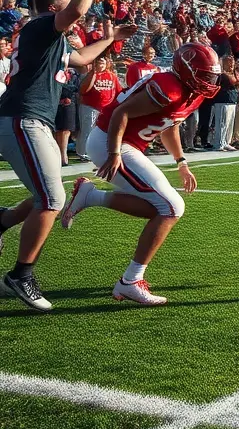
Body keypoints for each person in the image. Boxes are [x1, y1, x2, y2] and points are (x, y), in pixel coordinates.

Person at [0, 0, 132, 312]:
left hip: (28, 118)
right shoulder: (42, 25)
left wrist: (110, 38)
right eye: (67, 6)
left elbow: (83, 60)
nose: (75, 16)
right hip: (24, 117)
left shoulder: (51, 38)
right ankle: (20, 275)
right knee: (52, 200)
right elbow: (76, 10)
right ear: (54, 10)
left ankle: (4, 220)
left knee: (48, 191)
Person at [61, 43, 217, 305]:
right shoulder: (168, 86)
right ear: (186, 70)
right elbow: (121, 113)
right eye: (203, 74)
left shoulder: (192, 92)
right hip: (111, 141)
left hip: (128, 145)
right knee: (171, 207)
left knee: (157, 208)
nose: (209, 81)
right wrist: (113, 154)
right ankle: (130, 281)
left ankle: (90, 196)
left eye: (211, 76)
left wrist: (181, 161)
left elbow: (169, 125)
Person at [78, 54, 120, 163]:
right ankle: (83, 152)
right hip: (90, 106)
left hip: (106, 108)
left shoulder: (112, 76)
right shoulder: (88, 75)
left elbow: (118, 91)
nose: (101, 65)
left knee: (104, 131)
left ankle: (101, 151)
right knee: (87, 130)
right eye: (98, 62)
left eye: (103, 63)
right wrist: (93, 73)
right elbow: (83, 90)